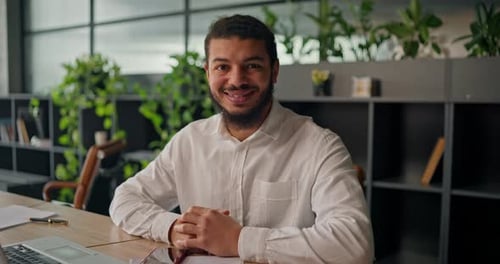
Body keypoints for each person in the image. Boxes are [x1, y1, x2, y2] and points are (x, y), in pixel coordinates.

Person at [110, 14, 373, 263]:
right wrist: (172, 227)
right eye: (223, 66)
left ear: (274, 71)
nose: (236, 80)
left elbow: (355, 245)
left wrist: (240, 240)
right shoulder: (190, 140)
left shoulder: (320, 146)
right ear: (208, 73)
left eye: (252, 66)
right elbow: (125, 199)